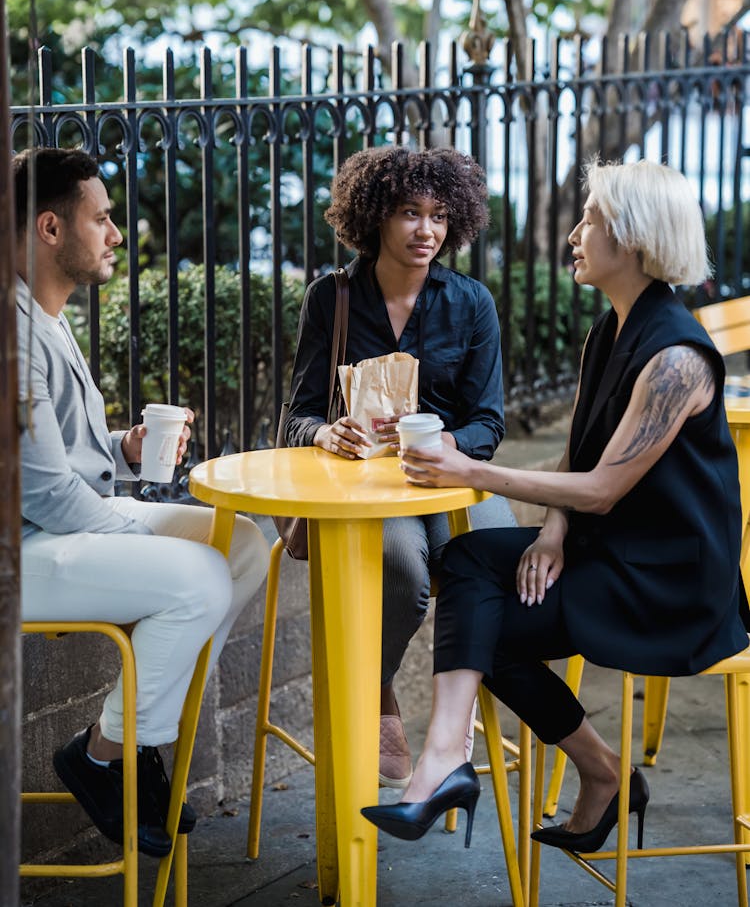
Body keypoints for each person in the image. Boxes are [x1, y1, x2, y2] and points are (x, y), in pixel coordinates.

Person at [362, 158, 750, 850]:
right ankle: (467, 757)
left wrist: (469, 468)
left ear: (631, 238)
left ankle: (529, 767)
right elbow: (577, 458)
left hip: (671, 583)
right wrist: (551, 533)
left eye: (590, 219)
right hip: (611, 548)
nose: (574, 234)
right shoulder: (607, 331)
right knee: (471, 567)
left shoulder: (677, 360)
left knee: (484, 622)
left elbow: (603, 484)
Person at [15, 147, 270, 857]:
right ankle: (103, 758)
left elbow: (51, 454)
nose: (118, 233)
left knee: (242, 542)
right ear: (50, 228)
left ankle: (133, 740)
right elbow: (44, 492)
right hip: (26, 548)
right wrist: (149, 542)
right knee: (198, 574)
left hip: (59, 523)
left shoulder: (44, 312)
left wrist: (123, 447)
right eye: (101, 218)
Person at [285, 144, 516, 786]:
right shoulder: (330, 300)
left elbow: (488, 424)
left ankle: (455, 709)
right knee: (405, 570)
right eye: (410, 213)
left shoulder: (470, 303)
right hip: (367, 486)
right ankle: (379, 693)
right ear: (375, 217)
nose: (426, 231)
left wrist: (445, 446)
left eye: (439, 215)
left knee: (493, 556)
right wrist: (329, 434)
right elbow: (297, 417)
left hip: (449, 475)